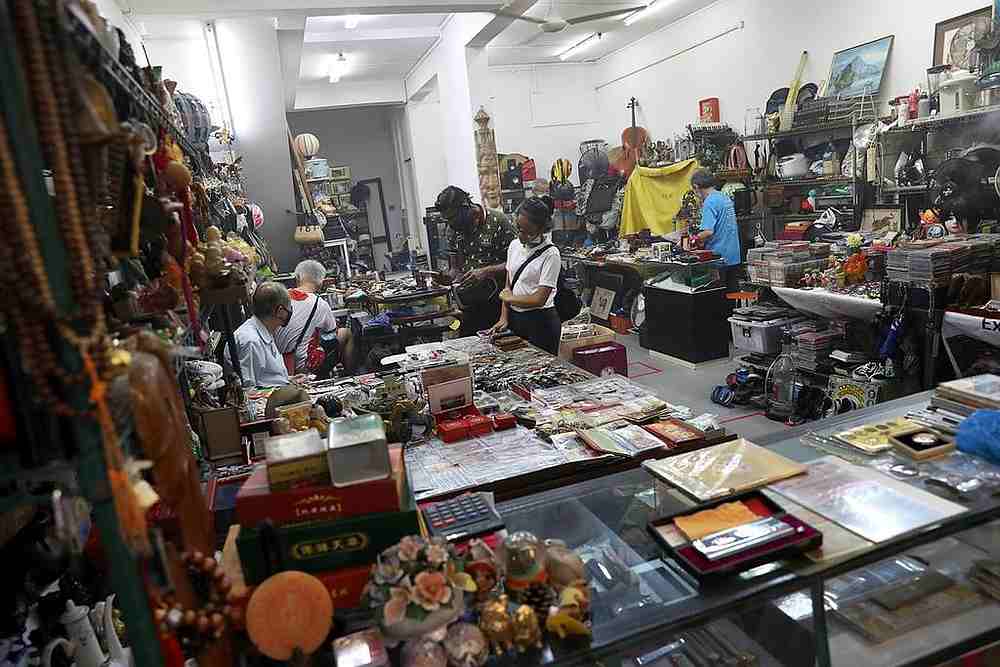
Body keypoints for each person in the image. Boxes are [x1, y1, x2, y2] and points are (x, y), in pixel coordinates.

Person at [435, 185, 516, 336]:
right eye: (447, 219)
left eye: (453, 218)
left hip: (498, 302)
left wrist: (486, 272)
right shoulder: (453, 230)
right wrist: (446, 278)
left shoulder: (499, 222)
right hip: (469, 304)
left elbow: (518, 264)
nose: (450, 224)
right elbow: (456, 269)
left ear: (466, 207)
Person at [490, 196, 562, 355]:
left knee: (543, 370)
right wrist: (504, 317)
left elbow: (538, 299)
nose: (521, 235)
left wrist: (508, 298)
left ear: (541, 229)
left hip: (541, 322)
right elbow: (509, 286)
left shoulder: (551, 254)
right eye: (518, 229)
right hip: (516, 320)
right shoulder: (514, 246)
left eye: (528, 232)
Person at [274, 259, 357, 377]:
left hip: (278, 363)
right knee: (345, 333)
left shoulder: (281, 296)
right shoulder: (319, 303)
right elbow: (331, 336)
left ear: (297, 277)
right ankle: (350, 376)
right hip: (303, 366)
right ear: (321, 282)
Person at [690, 168, 742, 292]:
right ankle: (735, 312)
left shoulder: (709, 202)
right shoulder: (724, 197)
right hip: (734, 256)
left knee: (717, 297)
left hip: (718, 258)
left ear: (696, 187)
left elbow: (708, 231)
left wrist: (692, 239)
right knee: (732, 293)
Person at [233, 282, 292, 387]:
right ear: (280, 311)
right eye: (289, 307)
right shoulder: (251, 341)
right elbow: (249, 390)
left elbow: (266, 377)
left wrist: (288, 380)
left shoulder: (264, 331)